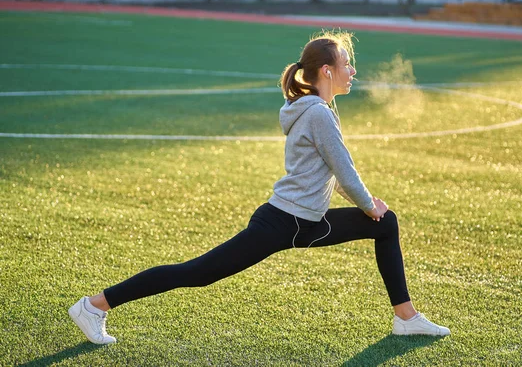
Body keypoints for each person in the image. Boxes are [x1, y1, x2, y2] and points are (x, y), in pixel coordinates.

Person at [68, 31, 450, 345]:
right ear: (327, 71)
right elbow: (346, 172)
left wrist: (372, 211)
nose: (353, 71)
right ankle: (96, 304)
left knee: (386, 224)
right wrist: (369, 205)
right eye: (347, 64)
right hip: (283, 222)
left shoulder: (320, 108)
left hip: (307, 222)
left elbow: (332, 174)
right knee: (199, 272)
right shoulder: (317, 112)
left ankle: (406, 317)